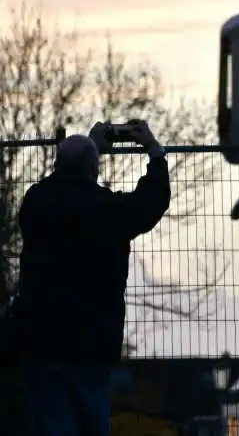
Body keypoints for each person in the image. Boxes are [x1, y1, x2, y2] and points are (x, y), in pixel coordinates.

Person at [8, 120, 171, 436]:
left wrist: (90, 149)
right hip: (91, 343)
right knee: (92, 421)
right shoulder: (106, 211)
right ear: (94, 168)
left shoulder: (35, 204)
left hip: (41, 337)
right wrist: (153, 150)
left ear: (58, 164)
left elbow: (57, 186)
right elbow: (151, 201)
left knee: (53, 423)